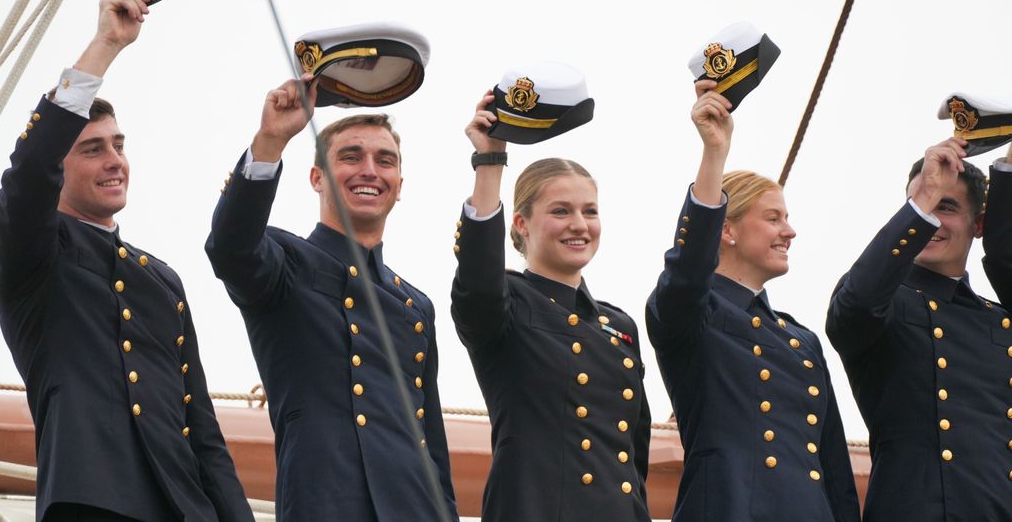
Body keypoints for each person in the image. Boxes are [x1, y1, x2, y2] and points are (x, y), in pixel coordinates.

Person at [0, 0, 252, 521]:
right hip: (90, 501)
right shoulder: (34, 254)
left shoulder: (161, 281)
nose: (115, 160)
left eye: (119, 145)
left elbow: (202, 431)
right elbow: (31, 166)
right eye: (92, 148)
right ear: (59, 169)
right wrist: (106, 44)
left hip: (185, 508)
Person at [205, 75, 458, 521]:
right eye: (350, 157)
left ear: (399, 183)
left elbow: (431, 444)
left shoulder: (415, 305)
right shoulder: (285, 264)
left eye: (385, 160)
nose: (369, 171)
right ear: (316, 177)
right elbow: (230, 246)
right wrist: (271, 140)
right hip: (326, 505)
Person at [645, 81, 860, 521]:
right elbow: (686, 274)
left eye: (787, 217)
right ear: (727, 230)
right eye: (773, 218)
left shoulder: (801, 340)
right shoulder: (692, 315)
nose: (790, 231)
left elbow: (833, 469)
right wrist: (714, 155)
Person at [450, 91, 652, 521]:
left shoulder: (619, 325)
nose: (579, 224)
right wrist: (490, 163)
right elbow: (479, 282)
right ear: (521, 224)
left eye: (590, 211)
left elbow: (634, 456)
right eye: (560, 211)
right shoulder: (506, 301)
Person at [826, 135, 1012, 521]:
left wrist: (1007, 174)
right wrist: (925, 197)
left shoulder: (999, 320)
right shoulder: (885, 302)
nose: (932, 221)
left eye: (947, 207)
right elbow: (854, 307)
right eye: (923, 205)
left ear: (979, 224)